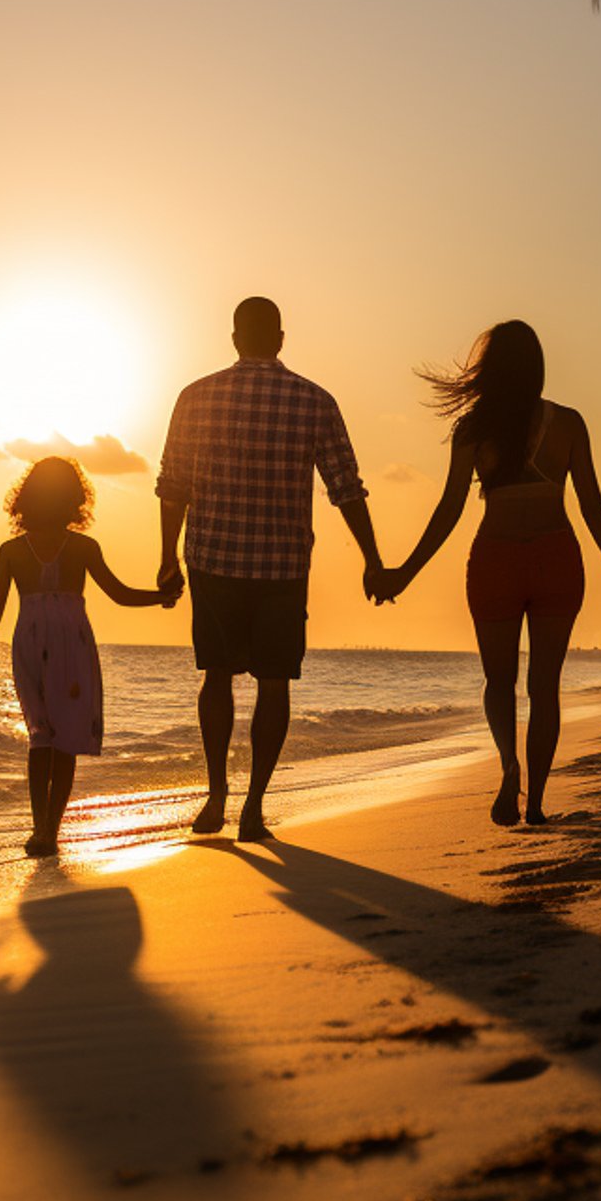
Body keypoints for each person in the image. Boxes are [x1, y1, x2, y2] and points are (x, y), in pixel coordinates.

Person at [374, 319, 601, 827]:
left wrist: (405, 572)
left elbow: (449, 509)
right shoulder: (569, 422)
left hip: (495, 558)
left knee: (499, 681)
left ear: (488, 371)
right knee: (545, 686)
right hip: (557, 556)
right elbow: (593, 505)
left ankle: (508, 768)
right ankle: (535, 803)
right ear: (537, 368)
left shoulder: (473, 428)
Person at [157, 296, 384, 843]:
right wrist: (372, 559)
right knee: (274, 681)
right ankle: (254, 807)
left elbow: (173, 486)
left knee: (216, 676)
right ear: (280, 339)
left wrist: (167, 559)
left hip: (213, 559)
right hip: (282, 565)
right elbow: (345, 489)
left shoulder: (195, 397)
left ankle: (216, 796)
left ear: (235, 338)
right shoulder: (314, 401)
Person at [0, 455, 173, 857]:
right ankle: (50, 830)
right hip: (72, 643)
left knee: (39, 736)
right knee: (63, 740)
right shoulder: (82, 546)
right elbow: (119, 594)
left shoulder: (11, 550)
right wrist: (161, 598)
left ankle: (39, 828)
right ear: (73, 499)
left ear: (26, 498)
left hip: (28, 640)